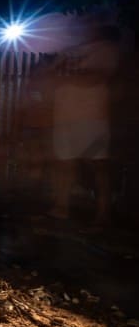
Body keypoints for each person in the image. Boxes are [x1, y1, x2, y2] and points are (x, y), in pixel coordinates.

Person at [48, 23, 122, 226]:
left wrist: (65, 78)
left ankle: (103, 213)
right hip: (64, 118)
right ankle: (61, 208)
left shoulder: (106, 49)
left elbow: (97, 77)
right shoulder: (68, 51)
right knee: (64, 165)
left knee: (99, 167)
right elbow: (49, 76)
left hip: (92, 118)